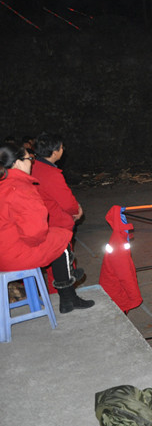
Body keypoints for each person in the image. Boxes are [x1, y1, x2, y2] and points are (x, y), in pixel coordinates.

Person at [0, 144, 94, 312]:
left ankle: (68, 291)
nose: (32, 163)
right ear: (17, 163)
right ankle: (68, 294)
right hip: (14, 255)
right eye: (29, 159)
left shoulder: (4, 184)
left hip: (4, 250)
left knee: (58, 237)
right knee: (62, 240)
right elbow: (34, 233)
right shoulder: (21, 189)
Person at [31, 133, 93, 312]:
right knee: (63, 265)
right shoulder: (50, 174)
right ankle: (66, 299)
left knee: (56, 266)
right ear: (54, 151)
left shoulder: (35, 167)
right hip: (57, 224)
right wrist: (77, 210)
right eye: (61, 147)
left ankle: (63, 300)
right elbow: (67, 202)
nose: (63, 150)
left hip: (43, 223)